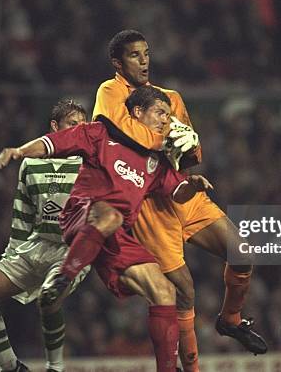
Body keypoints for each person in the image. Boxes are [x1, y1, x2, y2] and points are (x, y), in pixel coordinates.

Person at [0, 85, 213, 372]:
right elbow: (53, 144)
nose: (165, 120)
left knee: (164, 291)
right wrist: (19, 151)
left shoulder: (155, 162)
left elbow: (176, 192)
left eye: (168, 115)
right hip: (82, 214)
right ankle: (63, 277)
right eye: (160, 112)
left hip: (114, 236)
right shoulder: (101, 133)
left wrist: (192, 186)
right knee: (111, 216)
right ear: (137, 112)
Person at [92, 30, 267, 370]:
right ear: (118, 62)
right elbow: (111, 135)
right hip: (149, 204)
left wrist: (183, 149)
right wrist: (160, 139)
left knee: (242, 253)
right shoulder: (110, 92)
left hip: (182, 192)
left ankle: (230, 319)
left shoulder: (171, 97)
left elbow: (188, 155)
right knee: (184, 291)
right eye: (134, 55)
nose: (143, 61)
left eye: (146, 53)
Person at [0, 99, 91, 372]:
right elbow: (22, 218)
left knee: (49, 297)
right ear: (54, 127)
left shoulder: (90, 161)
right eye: (72, 125)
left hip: (72, 251)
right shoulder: (31, 164)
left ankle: (55, 368)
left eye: (83, 126)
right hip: (35, 247)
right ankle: (12, 367)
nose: (78, 131)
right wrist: (12, 256)